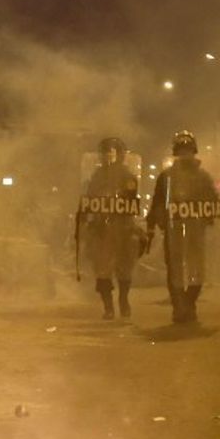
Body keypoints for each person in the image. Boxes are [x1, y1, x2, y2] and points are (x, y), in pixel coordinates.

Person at [146, 130, 220, 324]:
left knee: (197, 269)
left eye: (188, 151)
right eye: (182, 151)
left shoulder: (203, 177)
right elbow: (157, 202)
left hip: (196, 231)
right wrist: (152, 225)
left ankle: (189, 303)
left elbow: (213, 202)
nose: (185, 155)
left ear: (193, 152)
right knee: (174, 269)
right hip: (174, 230)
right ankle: (179, 306)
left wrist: (210, 219)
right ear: (176, 153)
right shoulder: (166, 177)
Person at [79, 136, 144, 319]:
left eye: (113, 153)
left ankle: (123, 301)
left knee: (124, 268)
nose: (109, 157)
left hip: (123, 228)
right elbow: (89, 200)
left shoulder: (128, 177)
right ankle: (108, 306)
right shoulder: (96, 177)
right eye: (106, 153)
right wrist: (85, 218)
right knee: (102, 270)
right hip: (101, 229)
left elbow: (131, 200)